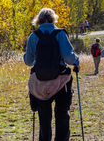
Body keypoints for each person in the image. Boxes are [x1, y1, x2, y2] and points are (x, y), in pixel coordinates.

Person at [24, 8, 80, 141]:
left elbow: (28, 61)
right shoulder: (60, 34)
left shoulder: (34, 35)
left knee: (44, 116)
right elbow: (67, 57)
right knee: (62, 114)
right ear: (53, 18)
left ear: (39, 20)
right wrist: (76, 62)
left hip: (40, 82)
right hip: (61, 81)